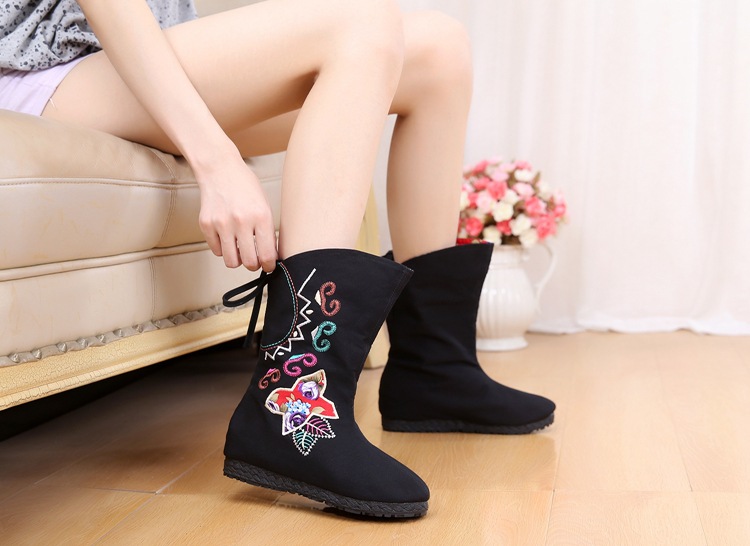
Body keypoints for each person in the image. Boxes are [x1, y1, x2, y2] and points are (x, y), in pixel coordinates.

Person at [1, 0, 555, 518]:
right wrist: (217, 162)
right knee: (359, 20)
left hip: (146, 56)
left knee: (440, 49)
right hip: (42, 66)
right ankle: (295, 413)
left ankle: (434, 369)